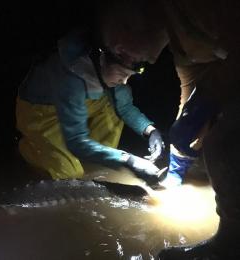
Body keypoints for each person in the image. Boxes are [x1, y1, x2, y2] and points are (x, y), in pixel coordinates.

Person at [101, 0, 240, 258]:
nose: (124, 57)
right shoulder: (178, 40)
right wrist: (181, 138)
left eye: (120, 51)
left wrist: (209, 96)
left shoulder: (198, 8)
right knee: (200, 150)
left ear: (131, 23)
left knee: (222, 143)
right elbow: (191, 87)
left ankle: (231, 244)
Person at [15, 26, 165, 181]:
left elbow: (125, 107)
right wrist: (128, 160)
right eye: (122, 74)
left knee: (113, 108)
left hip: (79, 108)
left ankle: (95, 156)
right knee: (69, 178)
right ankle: (31, 149)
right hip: (42, 114)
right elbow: (76, 141)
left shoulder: (109, 68)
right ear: (102, 59)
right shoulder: (70, 76)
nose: (125, 81)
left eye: (129, 76)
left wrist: (151, 130)